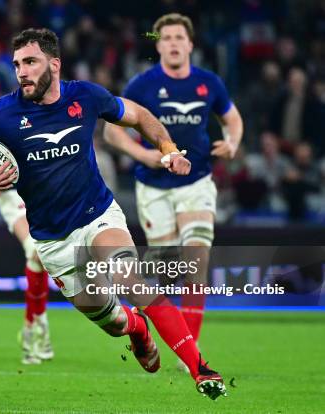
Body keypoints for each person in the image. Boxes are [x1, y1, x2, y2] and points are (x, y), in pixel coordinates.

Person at [0, 28, 226, 400]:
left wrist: (168, 149)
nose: (22, 72)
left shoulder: (86, 96)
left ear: (54, 64)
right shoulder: (1, 114)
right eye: (16, 64)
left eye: (30, 62)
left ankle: (200, 369)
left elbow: (140, 116)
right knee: (112, 322)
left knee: (131, 279)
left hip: (98, 215)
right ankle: (138, 330)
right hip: (52, 240)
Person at [103, 13, 243, 372]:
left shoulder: (208, 83)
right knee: (166, 270)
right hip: (155, 188)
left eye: (180, 37)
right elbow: (112, 133)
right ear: (159, 45)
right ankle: (146, 321)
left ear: (190, 44)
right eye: (166, 38)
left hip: (196, 183)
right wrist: (143, 153)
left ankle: (190, 355)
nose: (174, 43)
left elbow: (232, 118)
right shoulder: (141, 86)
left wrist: (232, 143)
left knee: (196, 259)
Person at [0, 189, 53, 364]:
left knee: (38, 261)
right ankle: (39, 331)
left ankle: (32, 329)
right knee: (36, 251)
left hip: (40, 193)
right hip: (13, 199)